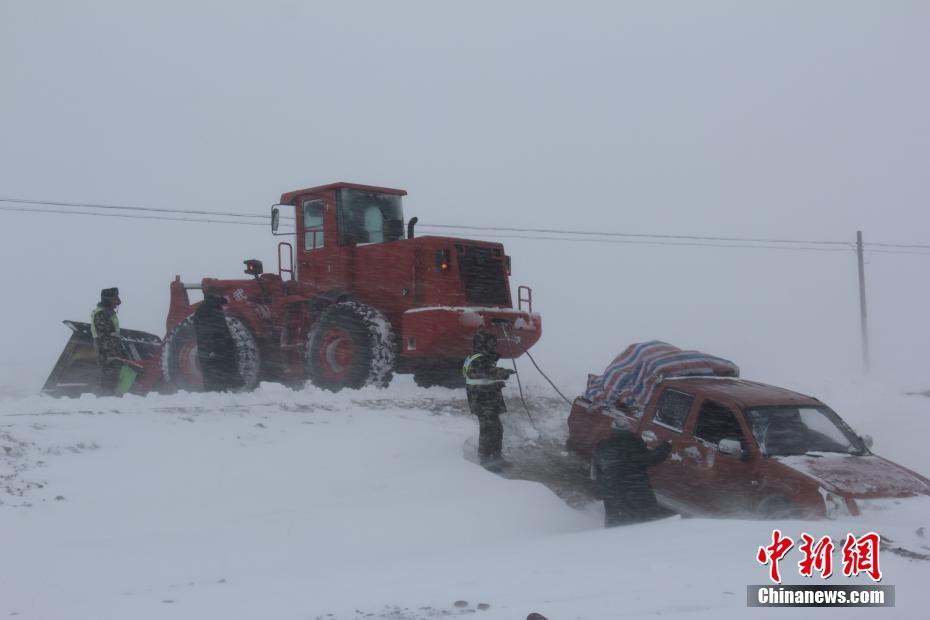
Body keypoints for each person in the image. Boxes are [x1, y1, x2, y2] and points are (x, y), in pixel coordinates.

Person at [593, 417, 672, 527]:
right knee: (644, 524)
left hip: (613, 494)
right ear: (628, 428)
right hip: (636, 491)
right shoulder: (633, 444)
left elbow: (597, 471)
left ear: (612, 428)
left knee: (616, 524)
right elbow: (651, 458)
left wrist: (602, 488)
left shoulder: (603, 446)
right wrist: (665, 447)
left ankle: (612, 541)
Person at [462, 330, 515, 471]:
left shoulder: (479, 357)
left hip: (488, 400)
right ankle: (485, 460)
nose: (494, 347)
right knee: (488, 431)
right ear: (483, 344)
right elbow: (487, 372)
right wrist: (503, 373)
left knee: (497, 429)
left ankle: (497, 457)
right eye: (491, 344)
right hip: (482, 402)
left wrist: (497, 384)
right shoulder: (477, 359)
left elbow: (484, 379)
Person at [193, 287, 244, 392]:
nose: (223, 296)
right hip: (215, 346)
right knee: (217, 369)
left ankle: (220, 389)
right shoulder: (209, 308)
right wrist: (212, 347)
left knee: (217, 370)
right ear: (215, 295)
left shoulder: (210, 306)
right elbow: (208, 331)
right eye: (220, 294)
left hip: (216, 346)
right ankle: (218, 392)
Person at [91, 287, 125, 395]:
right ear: (108, 300)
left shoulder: (108, 313)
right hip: (107, 352)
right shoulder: (101, 314)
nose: (117, 302)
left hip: (111, 351)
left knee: (112, 376)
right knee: (109, 376)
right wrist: (114, 354)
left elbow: (113, 333)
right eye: (115, 299)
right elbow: (104, 337)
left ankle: (109, 395)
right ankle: (107, 398)